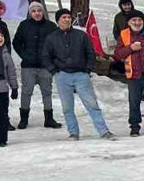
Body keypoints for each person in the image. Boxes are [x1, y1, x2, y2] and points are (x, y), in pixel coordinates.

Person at [43, 8, 116, 141]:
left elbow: (90, 53)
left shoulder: (81, 35)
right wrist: (54, 71)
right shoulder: (51, 37)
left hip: (81, 75)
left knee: (92, 104)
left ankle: (104, 131)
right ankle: (73, 133)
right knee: (67, 107)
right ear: (58, 20)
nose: (67, 20)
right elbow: (46, 56)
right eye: (63, 17)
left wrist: (87, 69)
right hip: (62, 75)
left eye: (68, 17)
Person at [12, 1, 62, 130]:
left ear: (43, 12)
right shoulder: (24, 25)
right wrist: (24, 55)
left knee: (47, 92)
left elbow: (57, 44)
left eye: (39, 11)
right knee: (26, 92)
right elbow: (16, 42)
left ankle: (49, 119)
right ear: (30, 13)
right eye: (34, 11)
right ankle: (24, 119)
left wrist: (51, 59)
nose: (37, 13)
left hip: (45, 66)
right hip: (28, 66)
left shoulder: (51, 26)